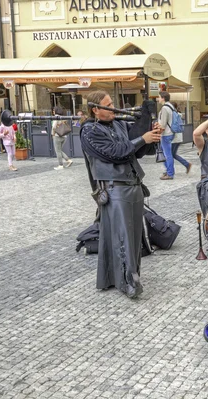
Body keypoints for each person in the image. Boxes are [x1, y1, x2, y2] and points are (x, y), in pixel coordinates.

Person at [80, 90, 161, 298]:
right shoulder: (89, 131)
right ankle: (128, 281)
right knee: (122, 236)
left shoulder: (119, 124)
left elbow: (138, 151)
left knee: (132, 237)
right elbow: (115, 153)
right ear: (95, 110)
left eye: (112, 103)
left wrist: (150, 132)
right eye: (108, 105)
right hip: (114, 189)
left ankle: (120, 276)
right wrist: (142, 138)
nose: (113, 108)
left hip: (133, 185)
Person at [157, 91, 179, 180]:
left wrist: (157, 131)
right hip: (170, 132)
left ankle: (170, 173)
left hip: (166, 133)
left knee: (167, 155)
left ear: (163, 98)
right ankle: (169, 170)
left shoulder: (165, 108)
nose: (158, 99)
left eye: (159, 97)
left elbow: (163, 124)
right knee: (165, 153)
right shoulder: (171, 106)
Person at [169, 102, 192, 175]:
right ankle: (186, 164)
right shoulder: (177, 114)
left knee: (169, 154)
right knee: (172, 154)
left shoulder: (173, 115)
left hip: (174, 138)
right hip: (178, 137)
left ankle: (170, 170)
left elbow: (173, 127)